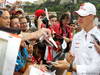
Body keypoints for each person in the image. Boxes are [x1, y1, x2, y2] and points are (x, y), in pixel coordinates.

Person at [53, 2, 100, 75]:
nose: (79, 19)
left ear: (91, 17)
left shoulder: (98, 37)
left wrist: (70, 66)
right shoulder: (77, 36)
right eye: (78, 16)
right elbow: (71, 59)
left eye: (82, 16)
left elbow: (97, 69)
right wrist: (65, 62)